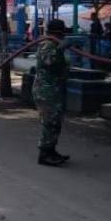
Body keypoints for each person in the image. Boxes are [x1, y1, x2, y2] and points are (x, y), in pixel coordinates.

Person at [33, 19, 71, 167]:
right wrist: (60, 49)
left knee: (55, 121)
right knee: (49, 121)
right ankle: (44, 154)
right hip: (46, 90)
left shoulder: (54, 44)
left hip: (54, 89)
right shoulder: (47, 45)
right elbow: (49, 61)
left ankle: (51, 150)